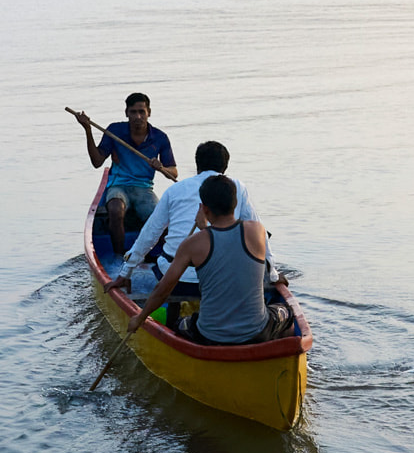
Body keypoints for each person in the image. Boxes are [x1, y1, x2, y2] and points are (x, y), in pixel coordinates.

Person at [131, 174, 287, 345]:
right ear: (235, 204)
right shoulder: (257, 231)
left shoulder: (192, 245)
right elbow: (228, 249)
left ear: (204, 209)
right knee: (287, 313)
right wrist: (206, 228)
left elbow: (163, 289)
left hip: (210, 336)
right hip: (257, 332)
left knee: (180, 324)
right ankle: (281, 353)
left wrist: (140, 318)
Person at [119, 140, 256, 307]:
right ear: (225, 169)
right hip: (222, 280)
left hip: (179, 280)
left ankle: (174, 316)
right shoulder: (238, 188)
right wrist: (273, 275)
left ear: (197, 165)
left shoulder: (175, 190)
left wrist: (126, 272)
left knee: (170, 261)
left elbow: (150, 233)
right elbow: (256, 232)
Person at [68, 93, 175, 252]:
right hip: (118, 186)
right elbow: (97, 162)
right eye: (133, 112)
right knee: (116, 210)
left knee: (161, 220)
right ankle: (119, 258)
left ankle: (163, 255)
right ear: (126, 113)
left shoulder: (160, 137)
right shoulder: (114, 131)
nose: (138, 116)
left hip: (144, 189)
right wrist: (88, 130)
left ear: (149, 112)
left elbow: (173, 172)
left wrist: (161, 168)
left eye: (142, 112)